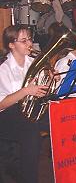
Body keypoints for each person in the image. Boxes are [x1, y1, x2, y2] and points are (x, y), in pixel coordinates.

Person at [0, 25, 48, 183]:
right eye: (24, 40)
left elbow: (40, 91)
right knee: (31, 129)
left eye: (30, 39)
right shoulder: (4, 68)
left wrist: (51, 80)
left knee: (60, 114)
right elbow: (2, 104)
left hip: (29, 109)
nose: (30, 44)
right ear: (11, 45)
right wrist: (26, 91)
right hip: (7, 116)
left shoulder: (33, 62)